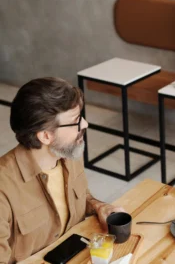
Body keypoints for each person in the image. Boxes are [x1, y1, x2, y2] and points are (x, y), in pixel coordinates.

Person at [0, 77, 125, 263]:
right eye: (76, 121)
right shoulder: (4, 188)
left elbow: (82, 197)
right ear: (45, 136)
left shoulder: (67, 154)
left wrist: (98, 206)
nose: (85, 124)